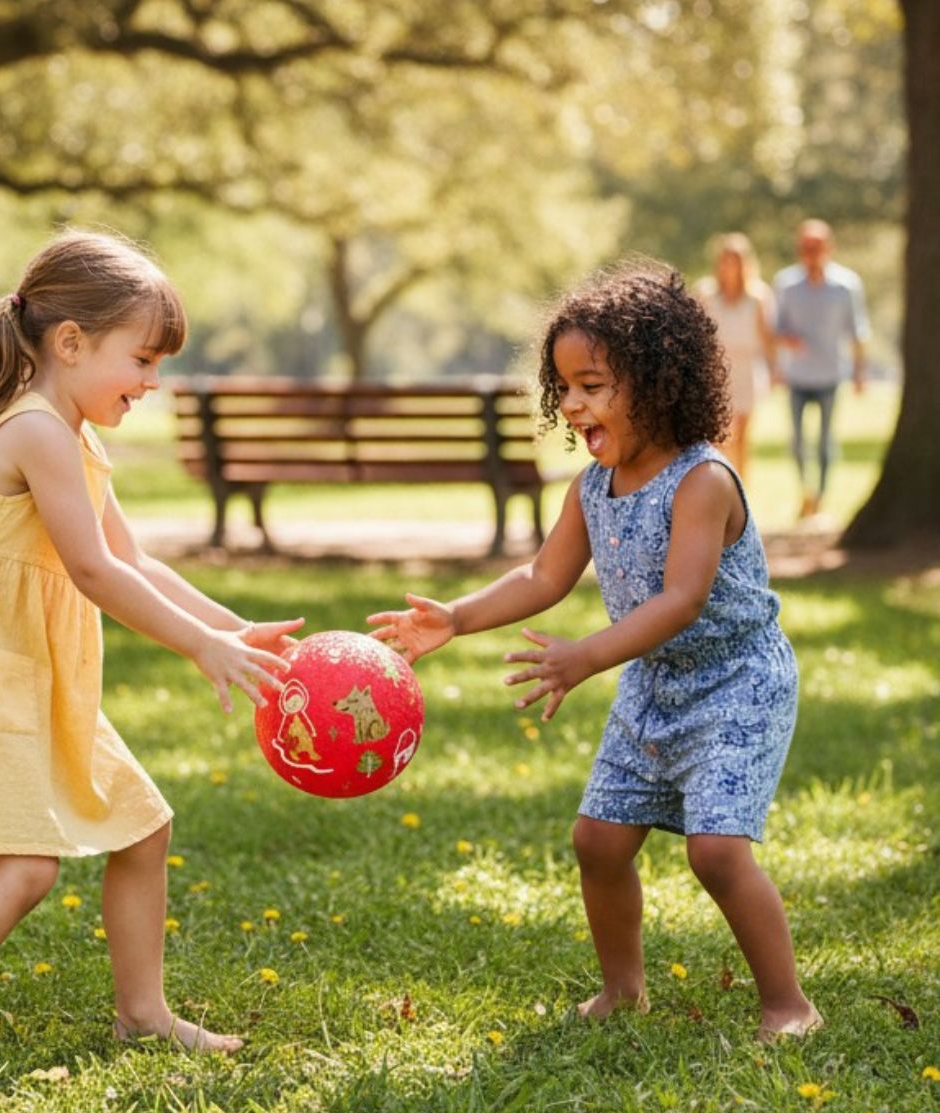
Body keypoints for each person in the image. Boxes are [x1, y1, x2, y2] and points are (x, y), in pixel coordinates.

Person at [0, 229, 303, 1071]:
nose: (151, 382)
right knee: (25, 869)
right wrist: (199, 648)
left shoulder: (70, 429)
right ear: (70, 342)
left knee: (142, 829)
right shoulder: (33, 430)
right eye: (141, 360)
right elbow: (95, 572)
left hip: (24, 665)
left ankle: (143, 1013)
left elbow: (134, 560)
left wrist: (231, 627)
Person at [368, 261, 820, 1043]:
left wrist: (585, 656)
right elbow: (543, 574)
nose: (573, 404)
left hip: (737, 681)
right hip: (656, 678)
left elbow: (680, 600)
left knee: (716, 852)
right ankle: (622, 989)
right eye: (564, 387)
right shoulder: (590, 486)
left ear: (655, 381)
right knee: (596, 840)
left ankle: (788, 1003)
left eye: (593, 385)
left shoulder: (702, 480)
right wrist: (456, 618)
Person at [773, 219, 870, 519]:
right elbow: (775, 329)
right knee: (799, 440)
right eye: (805, 247)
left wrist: (859, 372)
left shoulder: (846, 285)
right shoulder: (786, 284)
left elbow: (858, 331)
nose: (810, 252)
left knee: (826, 438)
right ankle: (806, 491)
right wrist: (785, 346)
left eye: (816, 247)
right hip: (798, 376)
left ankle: (823, 496)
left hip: (830, 375)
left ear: (828, 247)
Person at [696, 233, 776, 482]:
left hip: (746, 369)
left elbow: (767, 337)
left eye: (735, 261)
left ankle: (739, 485)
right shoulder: (706, 292)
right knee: (716, 434)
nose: (730, 267)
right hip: (716, 369)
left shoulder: (758, 295)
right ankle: (716, 482)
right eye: (725, 261)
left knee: (741, 435)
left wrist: (775, 370)